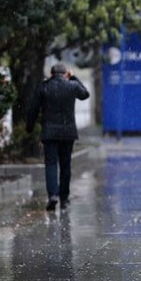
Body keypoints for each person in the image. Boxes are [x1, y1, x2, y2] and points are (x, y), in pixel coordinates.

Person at [27, 63, 90, 211]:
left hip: (49, 133)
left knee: (50, 164)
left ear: (51, 74)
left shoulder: (44, 87)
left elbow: (33, 109)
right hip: (68, 133)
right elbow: (85, 94)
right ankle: (64, 198)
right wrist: (74, 77)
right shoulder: (72, 86)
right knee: (66, 165)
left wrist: (29, 127)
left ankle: (53, 196)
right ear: (65, 74)